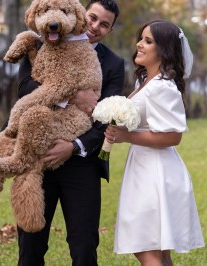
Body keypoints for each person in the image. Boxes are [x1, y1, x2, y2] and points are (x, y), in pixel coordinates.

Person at [16, 1, 125, 266]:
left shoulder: (113, 64)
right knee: (30, 245)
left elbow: (104, 119)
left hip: (82, 165)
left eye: (104, 24)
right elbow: (25, 90)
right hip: (37, 159)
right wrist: (74, 95)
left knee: (85, 245)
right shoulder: (40, 43)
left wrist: (73, 146)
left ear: (109, 30)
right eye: (93, 17)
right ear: (80, 14)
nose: (95, 26)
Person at [105, 19, 205, 266]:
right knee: (158, 250)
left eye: (148, 41)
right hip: (143, 167)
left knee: (143, 246)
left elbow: (173, 136)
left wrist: (126, 136)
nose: (139, 44)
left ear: (164, 49)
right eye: (141, 38)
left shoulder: (162, 87)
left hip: (156, 173)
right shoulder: (144, 82)